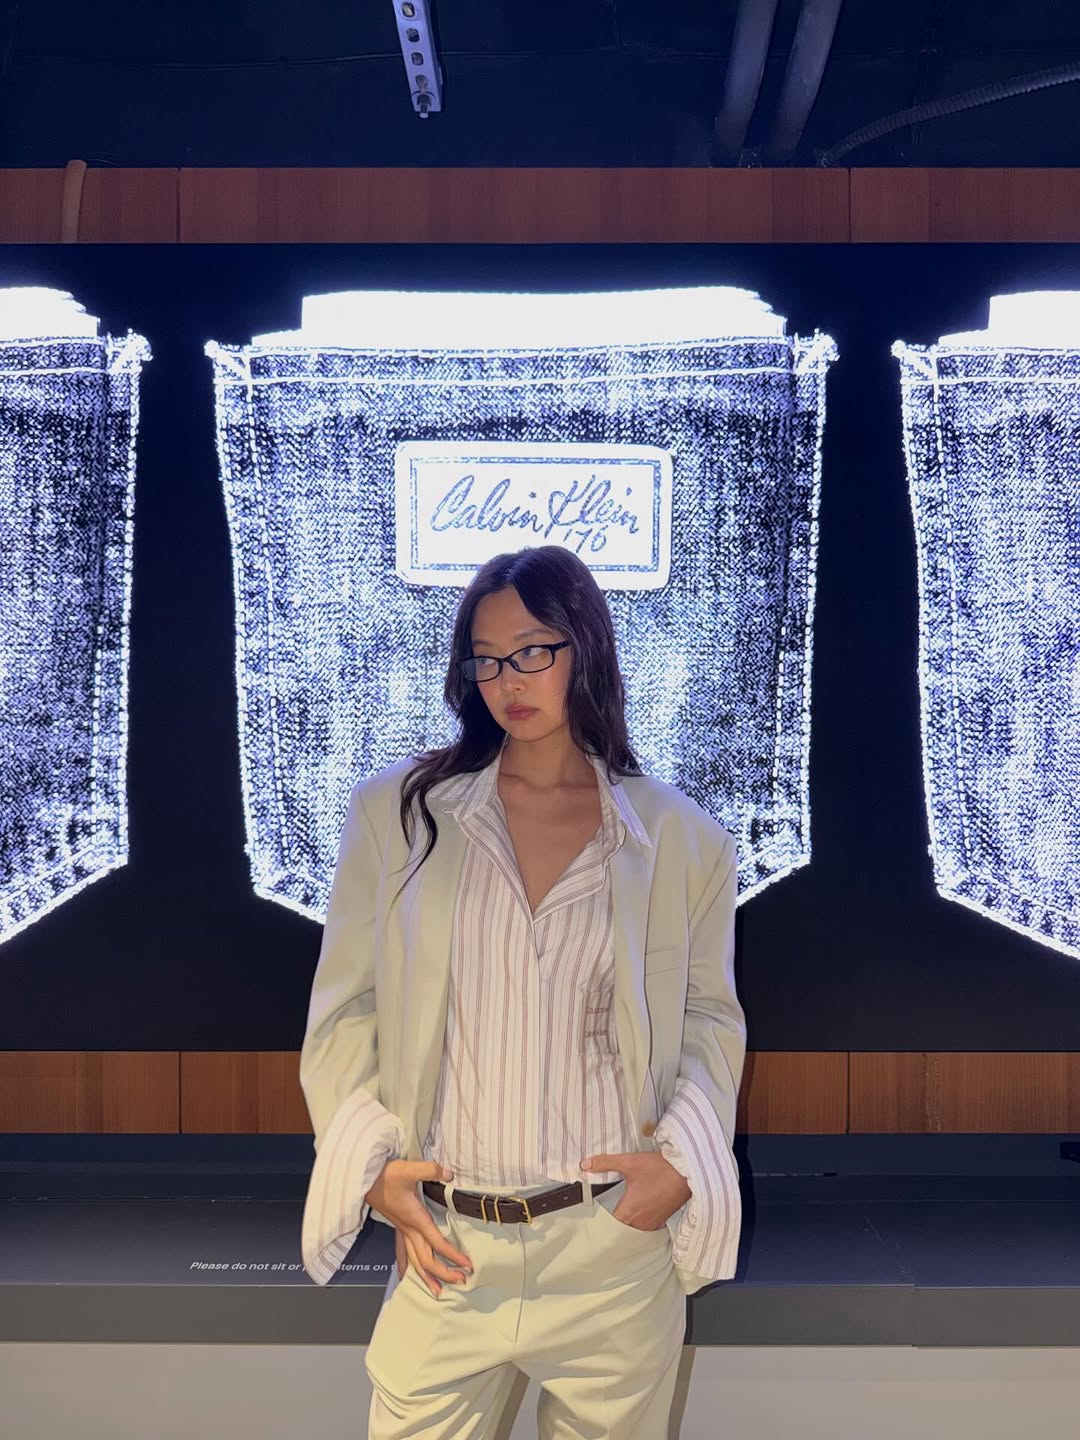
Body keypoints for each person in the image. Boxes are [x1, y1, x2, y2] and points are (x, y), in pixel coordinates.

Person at [299, 545, 745, 1440]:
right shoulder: (401, 815)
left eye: (534, 650)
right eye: (487, 658)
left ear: (587, 647)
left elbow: (708, 1019)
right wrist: (372, 1171)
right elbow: (347, 1011)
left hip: (609, 1246)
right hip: (448, 1244)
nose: (509, 679)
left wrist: (677, 1169)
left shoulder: (679, 838)